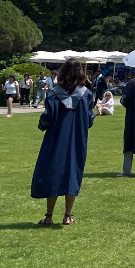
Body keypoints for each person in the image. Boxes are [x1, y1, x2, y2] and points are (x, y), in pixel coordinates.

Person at [31, 58, 93, 226]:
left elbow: (46, 118)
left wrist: (41, 125)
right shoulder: (86, 94)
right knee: (73, 173)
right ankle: (67, 215)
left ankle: (49, 216)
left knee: (53, 172)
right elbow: (90, 120)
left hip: (55, 140)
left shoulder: (53, 93)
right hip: (77, 140)